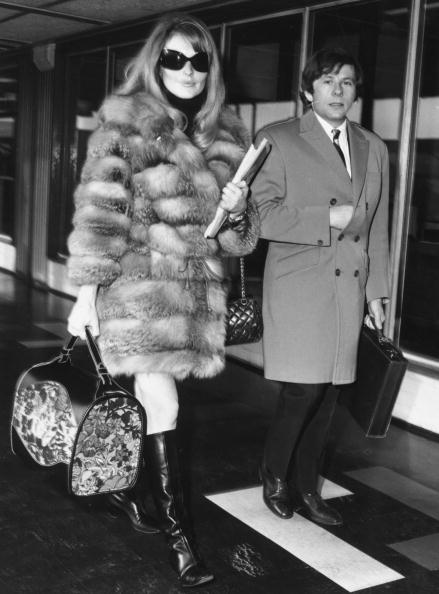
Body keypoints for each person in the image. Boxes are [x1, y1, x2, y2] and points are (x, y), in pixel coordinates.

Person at [67, 13, 259, 588]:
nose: (188, 70)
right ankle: (182, 541)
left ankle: (130, 491)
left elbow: (235, 240)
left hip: (196, 297)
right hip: (140, 291)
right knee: (165, 405)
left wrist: (239, 204)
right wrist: (85, 297)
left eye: (199, 60)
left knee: (157, 410)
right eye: (175, 58)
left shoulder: (226, 134)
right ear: (155, 62)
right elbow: (101, 216)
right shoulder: (122, 127)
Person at [251, 47, 389, 526]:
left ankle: (308, 488)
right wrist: (323, 218)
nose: (338, 90)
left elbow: (378, 228)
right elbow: (259, 215)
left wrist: (378, 292)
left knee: (330, 395)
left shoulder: (374, 146)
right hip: (298, 284)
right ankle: (274, 474)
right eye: (328, 81)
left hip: (348, 288)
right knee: (303, 391)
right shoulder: (278, 139)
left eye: (347, 82)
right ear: (307, 91)